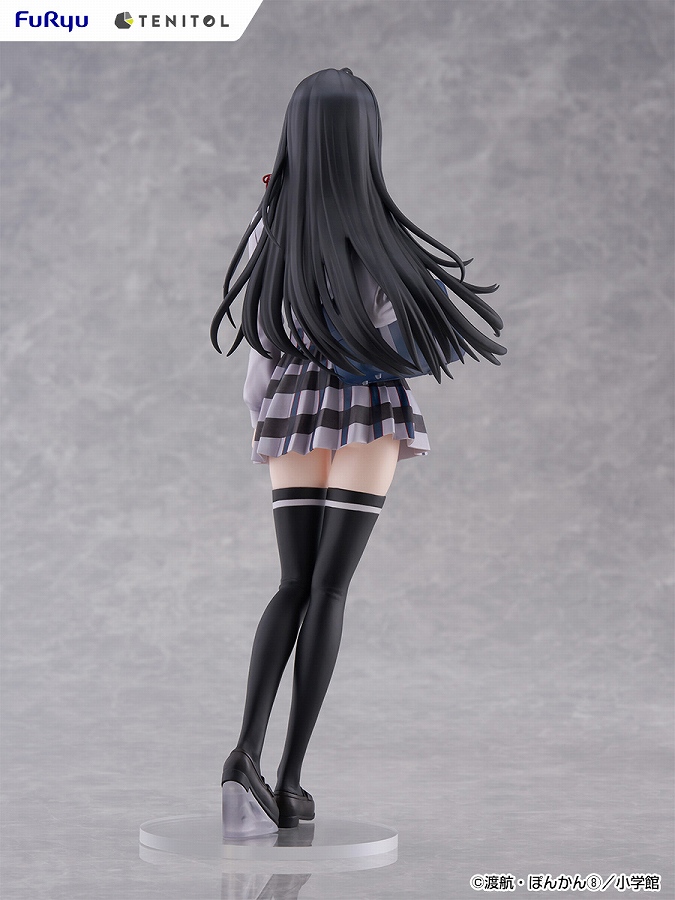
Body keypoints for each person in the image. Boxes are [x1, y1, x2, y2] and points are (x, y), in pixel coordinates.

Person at [211, 68, 506, 835]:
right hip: (364, 405)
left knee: (291, 582)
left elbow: (260, 345)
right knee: (330, 590)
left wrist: (261, 416)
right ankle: (289, 779)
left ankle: (242, 753)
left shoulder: (268, 227)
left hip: (290, 406)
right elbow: (393, 336)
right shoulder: (378, 234)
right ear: (363, 141)